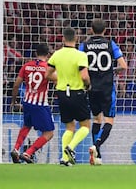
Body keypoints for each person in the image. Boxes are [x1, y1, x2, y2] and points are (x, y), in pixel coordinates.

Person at [79, 19, 127, 165]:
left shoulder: (84, 45)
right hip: (107, 87)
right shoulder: (110, 44)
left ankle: (96, 155)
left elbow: (80, 66)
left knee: (97, 119)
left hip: (91, 88)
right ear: (105, 30)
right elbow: (123, 66)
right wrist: (111, 70)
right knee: (109, 120)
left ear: (91, 30)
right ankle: (97, 146)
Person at [45, 28, 91, 166]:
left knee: (69, 127)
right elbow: (84, 76)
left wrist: (59, 79)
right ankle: (70, 147)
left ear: (63, 39)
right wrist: (88, 85)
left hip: (62, 93)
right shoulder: (80, 55)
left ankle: (65, 159)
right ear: (76, 39)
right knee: (85, 126)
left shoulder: (56, 55)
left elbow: (47, 74)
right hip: (77, 92)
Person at [10, 43, 55, 164]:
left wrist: (14, 101)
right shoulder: (47, 68)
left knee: (26, 125)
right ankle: (28, 153)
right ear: (48, 54)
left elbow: (16, 85)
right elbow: (57, 80)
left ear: (36, 53)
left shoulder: (26, 66)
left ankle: (15, 149)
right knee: (49, 133)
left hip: (27, 103)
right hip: (40, 104)